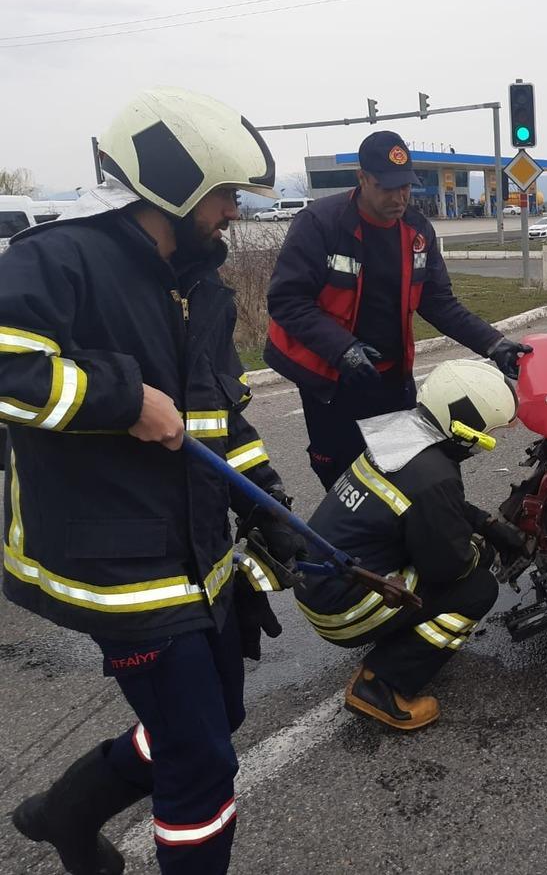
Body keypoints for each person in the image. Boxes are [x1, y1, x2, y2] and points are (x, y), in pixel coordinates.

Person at [2, 87, 304, 875]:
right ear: (172, 183)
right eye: (224, 195)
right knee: (201, 760)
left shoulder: (198, 281)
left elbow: (216, 415)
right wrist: (124, 398)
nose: (233, 213)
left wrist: (263, 500)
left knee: (220, 714)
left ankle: (64, 810)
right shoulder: (56, 257)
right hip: (116, 563)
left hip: (193, 550)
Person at [264, 130, 533, 489]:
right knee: (343, 477)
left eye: (404, 186)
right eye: (386, 187)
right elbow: (287, 301)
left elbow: (438, 302)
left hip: (392, 379)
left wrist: (494, 344)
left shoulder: (417, 230)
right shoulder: (321, 224)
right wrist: (343, 349)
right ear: (362, 179)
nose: (399, 197)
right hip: (333, 380)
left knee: (402, 473)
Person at [293, 359, 528, 730]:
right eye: (489, 433)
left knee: (458, 565)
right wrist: (485, 548)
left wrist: (485, 522)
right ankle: (380, 685)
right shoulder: (434, 475)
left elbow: (428, 503)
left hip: (324, 584)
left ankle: (401, 636)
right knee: (477, 588)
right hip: (345, 609)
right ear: (466, 431)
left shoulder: (403, 434)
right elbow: (448, 566)